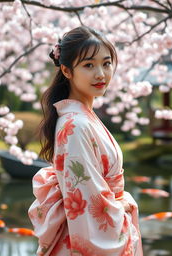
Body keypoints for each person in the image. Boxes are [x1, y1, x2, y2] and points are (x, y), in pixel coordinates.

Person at [28, 26, 143, 256]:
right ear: (67, 71)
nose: (100, 74)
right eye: (89, 65)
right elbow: (87, 205)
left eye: (106, 63)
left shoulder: (81, 119)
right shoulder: (76, 126)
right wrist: (122, 206)